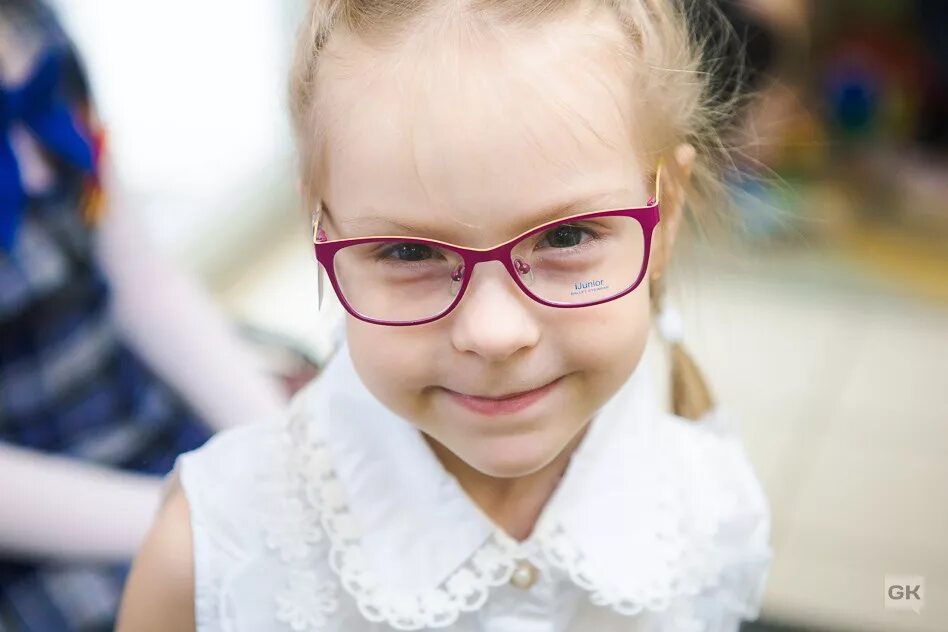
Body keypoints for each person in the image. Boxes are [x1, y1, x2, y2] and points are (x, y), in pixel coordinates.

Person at [118, 0, 773, 630]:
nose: (494, 334)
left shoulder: (706, 498)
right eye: (410, 252)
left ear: (666, 214)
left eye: (566, 237)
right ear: (322, 233)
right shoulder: (208, 564)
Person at [0, 2, 287, 630]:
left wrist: (287, 446)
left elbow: (141, 283)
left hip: (153, 425)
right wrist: (194, 515)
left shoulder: (34, 30)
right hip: (42, 540)